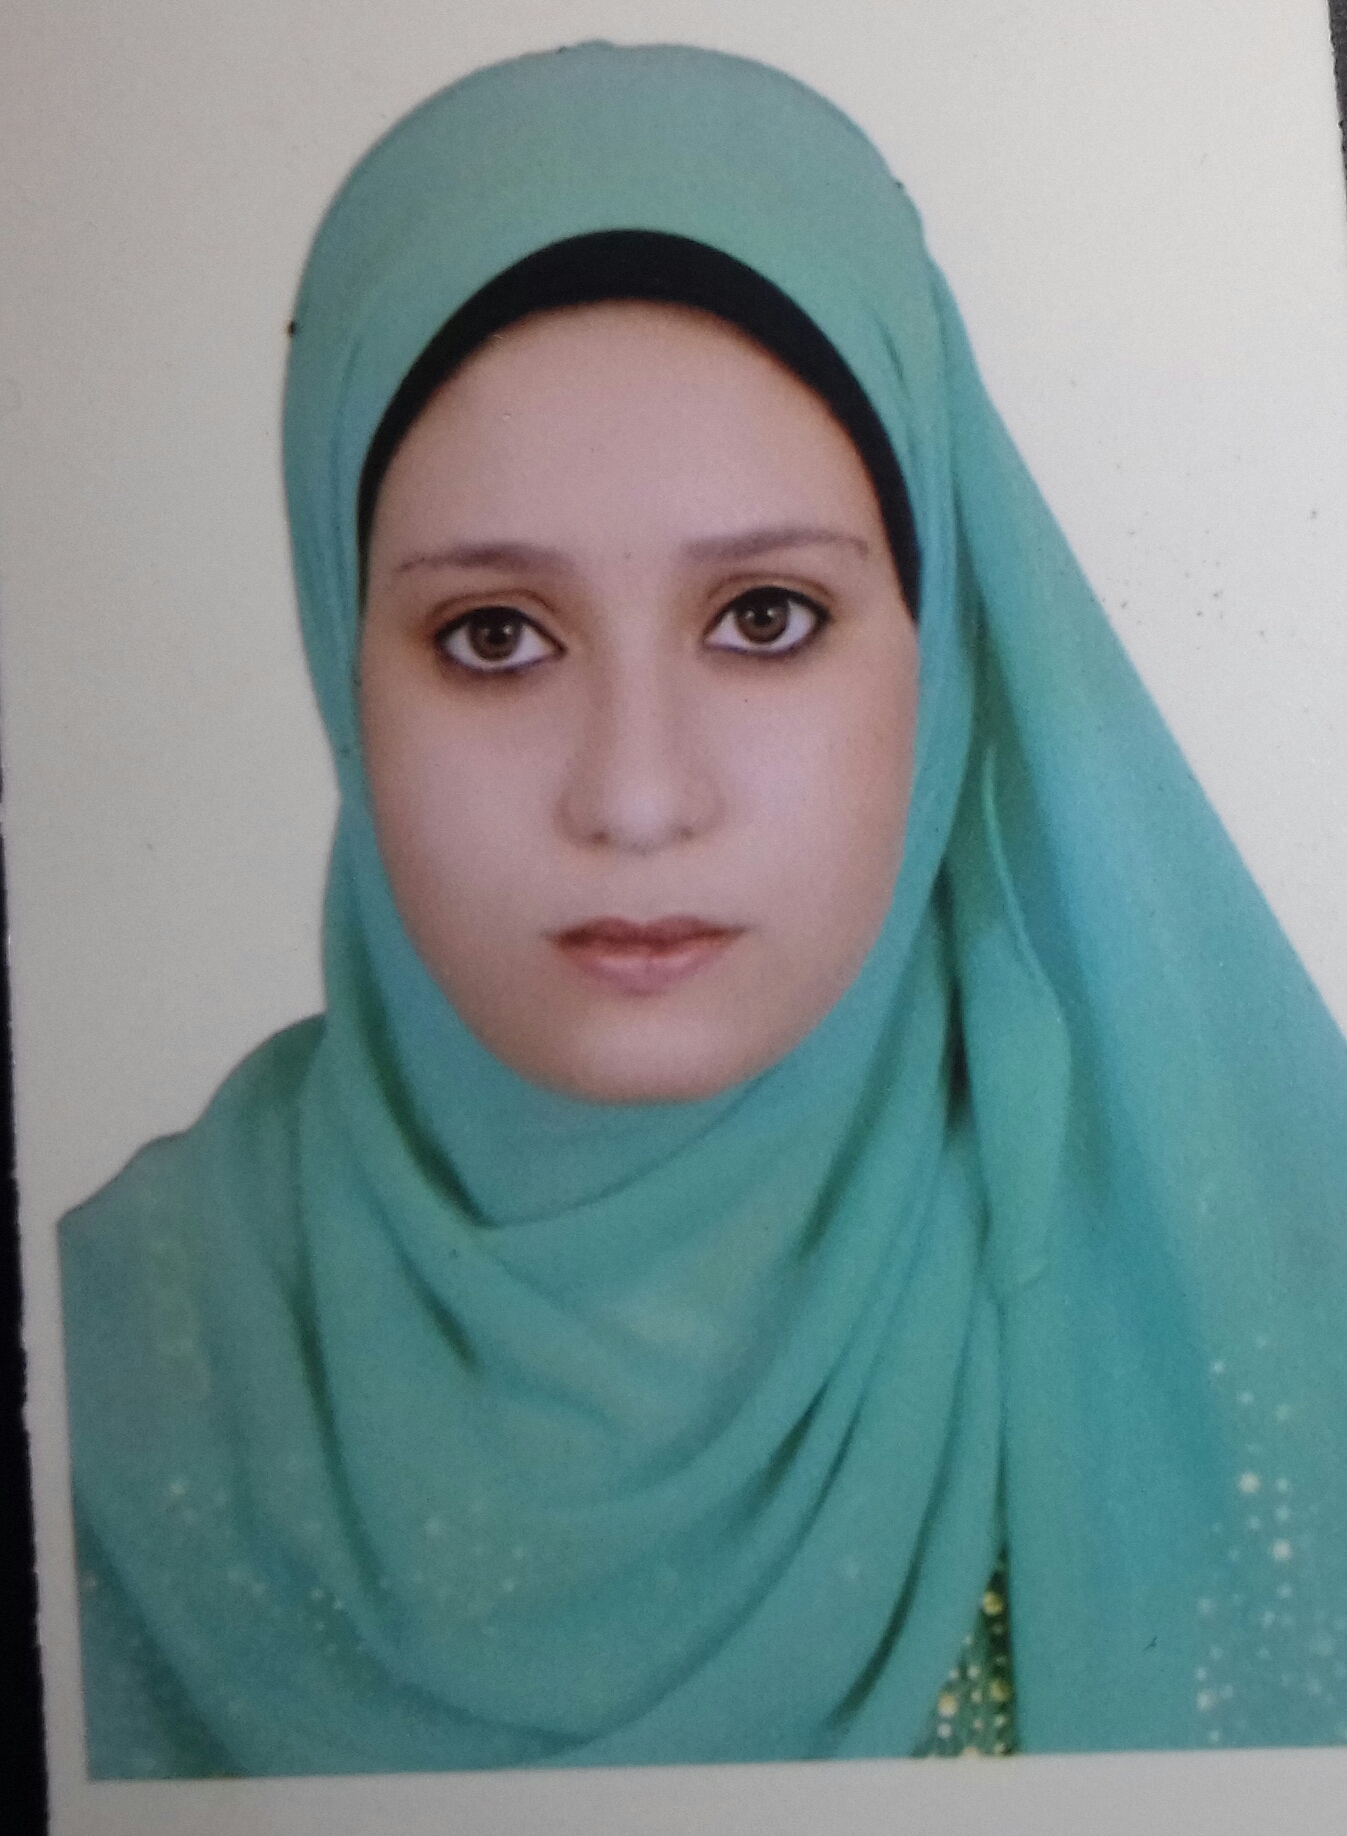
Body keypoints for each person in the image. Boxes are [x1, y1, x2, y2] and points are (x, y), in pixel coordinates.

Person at [59, 42, 1347, 1777]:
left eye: (764, 618)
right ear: (337, 652)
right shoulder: (103, 1362)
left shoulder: (1245, 1311)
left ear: (941, 652)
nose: (639, 796)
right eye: (494, 636)